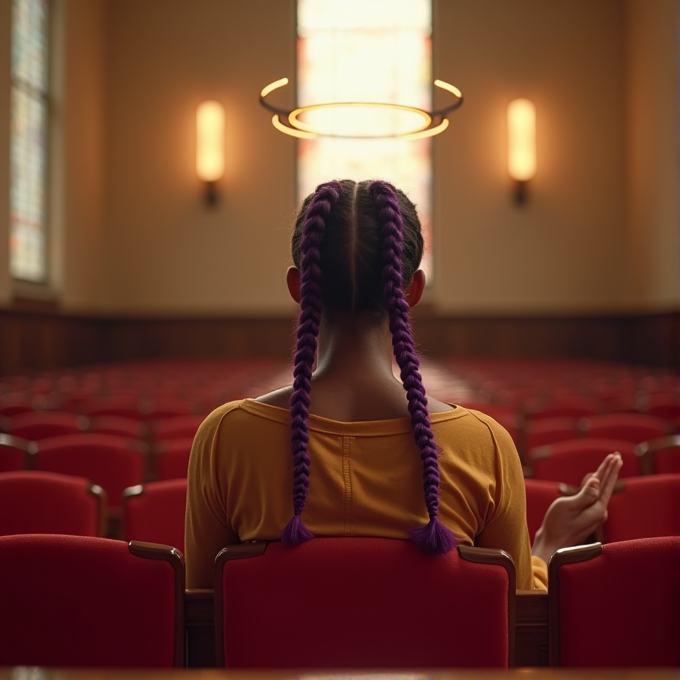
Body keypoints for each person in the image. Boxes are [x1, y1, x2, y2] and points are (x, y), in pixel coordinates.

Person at [184, 179, 622, 589]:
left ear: (298, 287)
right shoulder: (484, 445)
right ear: (412, 290)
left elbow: (200, 616)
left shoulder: (226, 438)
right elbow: (516, 614)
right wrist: (546, 543)